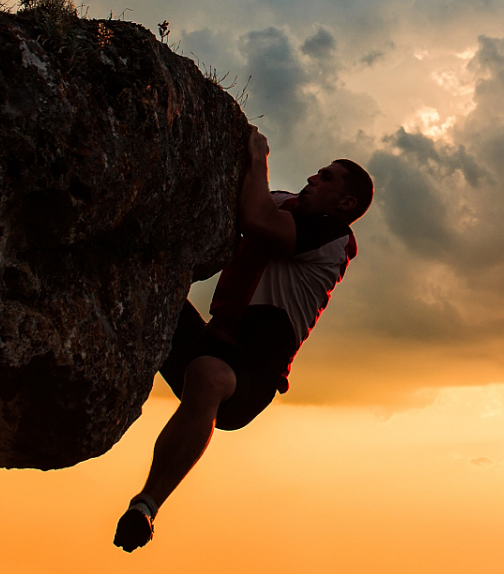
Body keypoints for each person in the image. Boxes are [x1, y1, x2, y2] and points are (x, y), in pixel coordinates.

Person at [113, 126, 372, 551]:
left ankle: (146, 506)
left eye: (325, 177)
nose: (311, 179)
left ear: (345, 203)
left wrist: (258, 156)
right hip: (210, 340)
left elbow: (256, 217)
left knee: (208, 376)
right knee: (147, 288)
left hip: (251, 374)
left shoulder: (334, 237)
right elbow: (247, 199)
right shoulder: (285, 204)